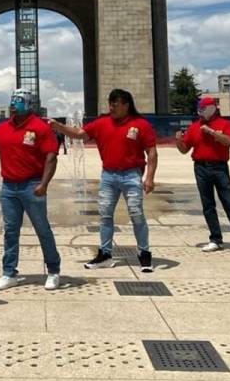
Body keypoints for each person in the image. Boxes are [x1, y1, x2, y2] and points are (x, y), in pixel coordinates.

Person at [49, 88, 158, 273]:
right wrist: (59, 127)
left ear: (126, 105)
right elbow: (79, 133)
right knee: (105, 215)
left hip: (132, 175)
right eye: (110, 104)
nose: (112, 107)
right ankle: (105, 254)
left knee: (136, 214)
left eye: (116, 104)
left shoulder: (140, 124)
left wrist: (149, 177)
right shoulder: (102, 123)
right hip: (109, 176)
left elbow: (152, 152)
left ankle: (144, 253)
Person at [0, 88, 62, 291]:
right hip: (8, 188)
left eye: (19, 101)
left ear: (30, 104)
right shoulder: (2, 127)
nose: (13, 105)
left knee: (42, 229)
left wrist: (44, 184)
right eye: (12, 101)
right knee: (10, 231)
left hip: (32, 186)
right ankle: (9, 273)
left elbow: (51, 157)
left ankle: (53, 271)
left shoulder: (40, 128)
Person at [176, 97, 230, 255]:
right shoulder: (195, 127)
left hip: (219, 168)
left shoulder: (225, 124)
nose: (200, 113)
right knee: (208, 204)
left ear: (211, 109)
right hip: (200, 168)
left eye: (203, 110)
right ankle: (215, 238)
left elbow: (229, 141)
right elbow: (184, 149)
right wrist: (178, 141)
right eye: (199, 110)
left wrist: (211, 132)